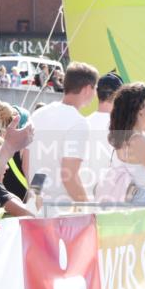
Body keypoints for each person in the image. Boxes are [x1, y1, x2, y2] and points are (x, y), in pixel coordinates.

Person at [25, 61, 99, 216]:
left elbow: (27, 160)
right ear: (87, 88)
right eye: (95, 88)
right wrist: (89, 211)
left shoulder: (38, 114)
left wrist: (37, 195)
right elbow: (69, 176)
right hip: (62, 213)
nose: (95, 93)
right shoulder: (78, 122)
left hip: (36, 208)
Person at [86, 72, 124, 199]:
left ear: (97, 93)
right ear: (119, 96)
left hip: (84, 199)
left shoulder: (82, 124)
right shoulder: (123, 128)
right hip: (114, 200)